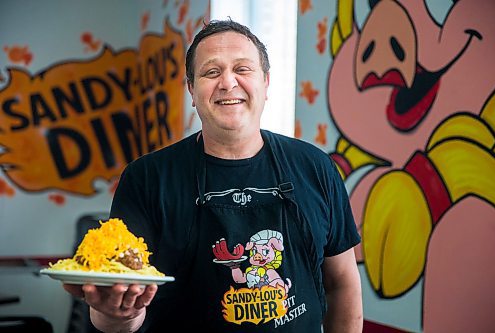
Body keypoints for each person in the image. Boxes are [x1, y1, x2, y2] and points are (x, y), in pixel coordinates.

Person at [64, 19, 363, 332]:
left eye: (243, 69)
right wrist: (118, 313)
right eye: (211, 71)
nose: (228, 82)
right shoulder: (147, 178)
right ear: (192, 90)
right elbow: (115, 316)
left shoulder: (315, 167)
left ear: (266, 82)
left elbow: (342, 283)